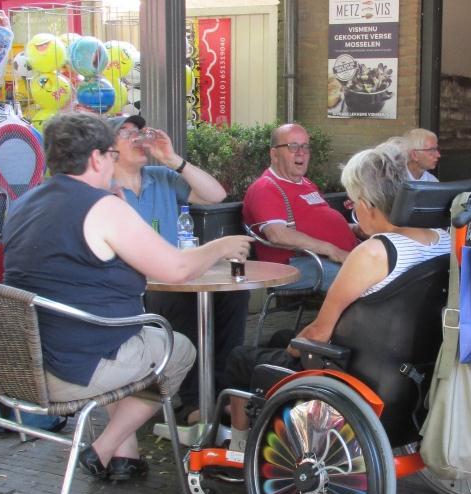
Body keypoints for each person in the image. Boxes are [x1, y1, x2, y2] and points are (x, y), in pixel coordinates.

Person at [2, 113, 251, 482]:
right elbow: (177, 270)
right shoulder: (102, 207)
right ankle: (104, 447)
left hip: (22, 362)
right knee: (175, 349)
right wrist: (222, 245)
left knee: (127, 341)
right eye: (110, 153)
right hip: (75, 366)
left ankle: (127, 455)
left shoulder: (24, 204)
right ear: (97, 158)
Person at [223, 140, 451, 452]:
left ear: (367, 204)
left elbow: (318, 333)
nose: (352, 209)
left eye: (352, 202)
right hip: (412, 372)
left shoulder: (374, 253)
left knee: (241, 358)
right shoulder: (443, 241)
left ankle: (238, 445)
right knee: (279, 338)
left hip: (358, 372)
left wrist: (294, 348)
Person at [109, 114, 249, 425]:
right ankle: (192, 404)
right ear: (108, 148)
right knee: (180, 302)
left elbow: (217, 196)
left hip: (177, 272)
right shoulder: (105, 190)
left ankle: (221, 391)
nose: (138, 137)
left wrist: (173, 159)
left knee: (232, 296)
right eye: (126, 132)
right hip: (134, 286)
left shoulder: (160, 176)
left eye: (140, 131)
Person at [242, 123, 358, 291]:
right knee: (362, 279)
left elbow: (316, 224)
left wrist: (354, 228)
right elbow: (278, 235)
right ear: (274, 154)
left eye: (305, 146)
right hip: (296, 263)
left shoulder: (306, 183)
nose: (301, 152)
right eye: (293, 146)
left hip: (334, 256)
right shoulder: (266, 187)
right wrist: (333, 251)